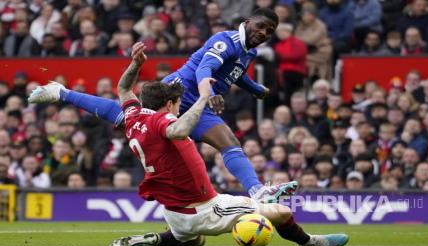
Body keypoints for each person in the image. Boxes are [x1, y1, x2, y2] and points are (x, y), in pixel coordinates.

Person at [28, 8, 297, 203]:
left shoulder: (247, 51)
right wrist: (208, 93)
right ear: (248, 21)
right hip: (172, 94)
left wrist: (255, 89)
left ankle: (257, 191)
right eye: (260, 26)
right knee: (124, 116)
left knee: (229, 142)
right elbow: (206, 67)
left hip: (198, 104)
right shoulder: (224, 40)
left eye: (269, 32)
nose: (263, 33)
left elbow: (235, 73)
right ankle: (61, 93)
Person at [104, 42, 348, 246]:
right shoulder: (163, 120)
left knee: (195, 241)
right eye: (178, 104)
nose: (180, 108)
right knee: (281, 213)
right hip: (204, 208)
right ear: (169, 104)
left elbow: (124, 89)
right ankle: (311, 242)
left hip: (174, 212)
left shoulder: (134, 117)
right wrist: (202, 99)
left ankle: (161, 238)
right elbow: (178, 130)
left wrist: (135, 65)